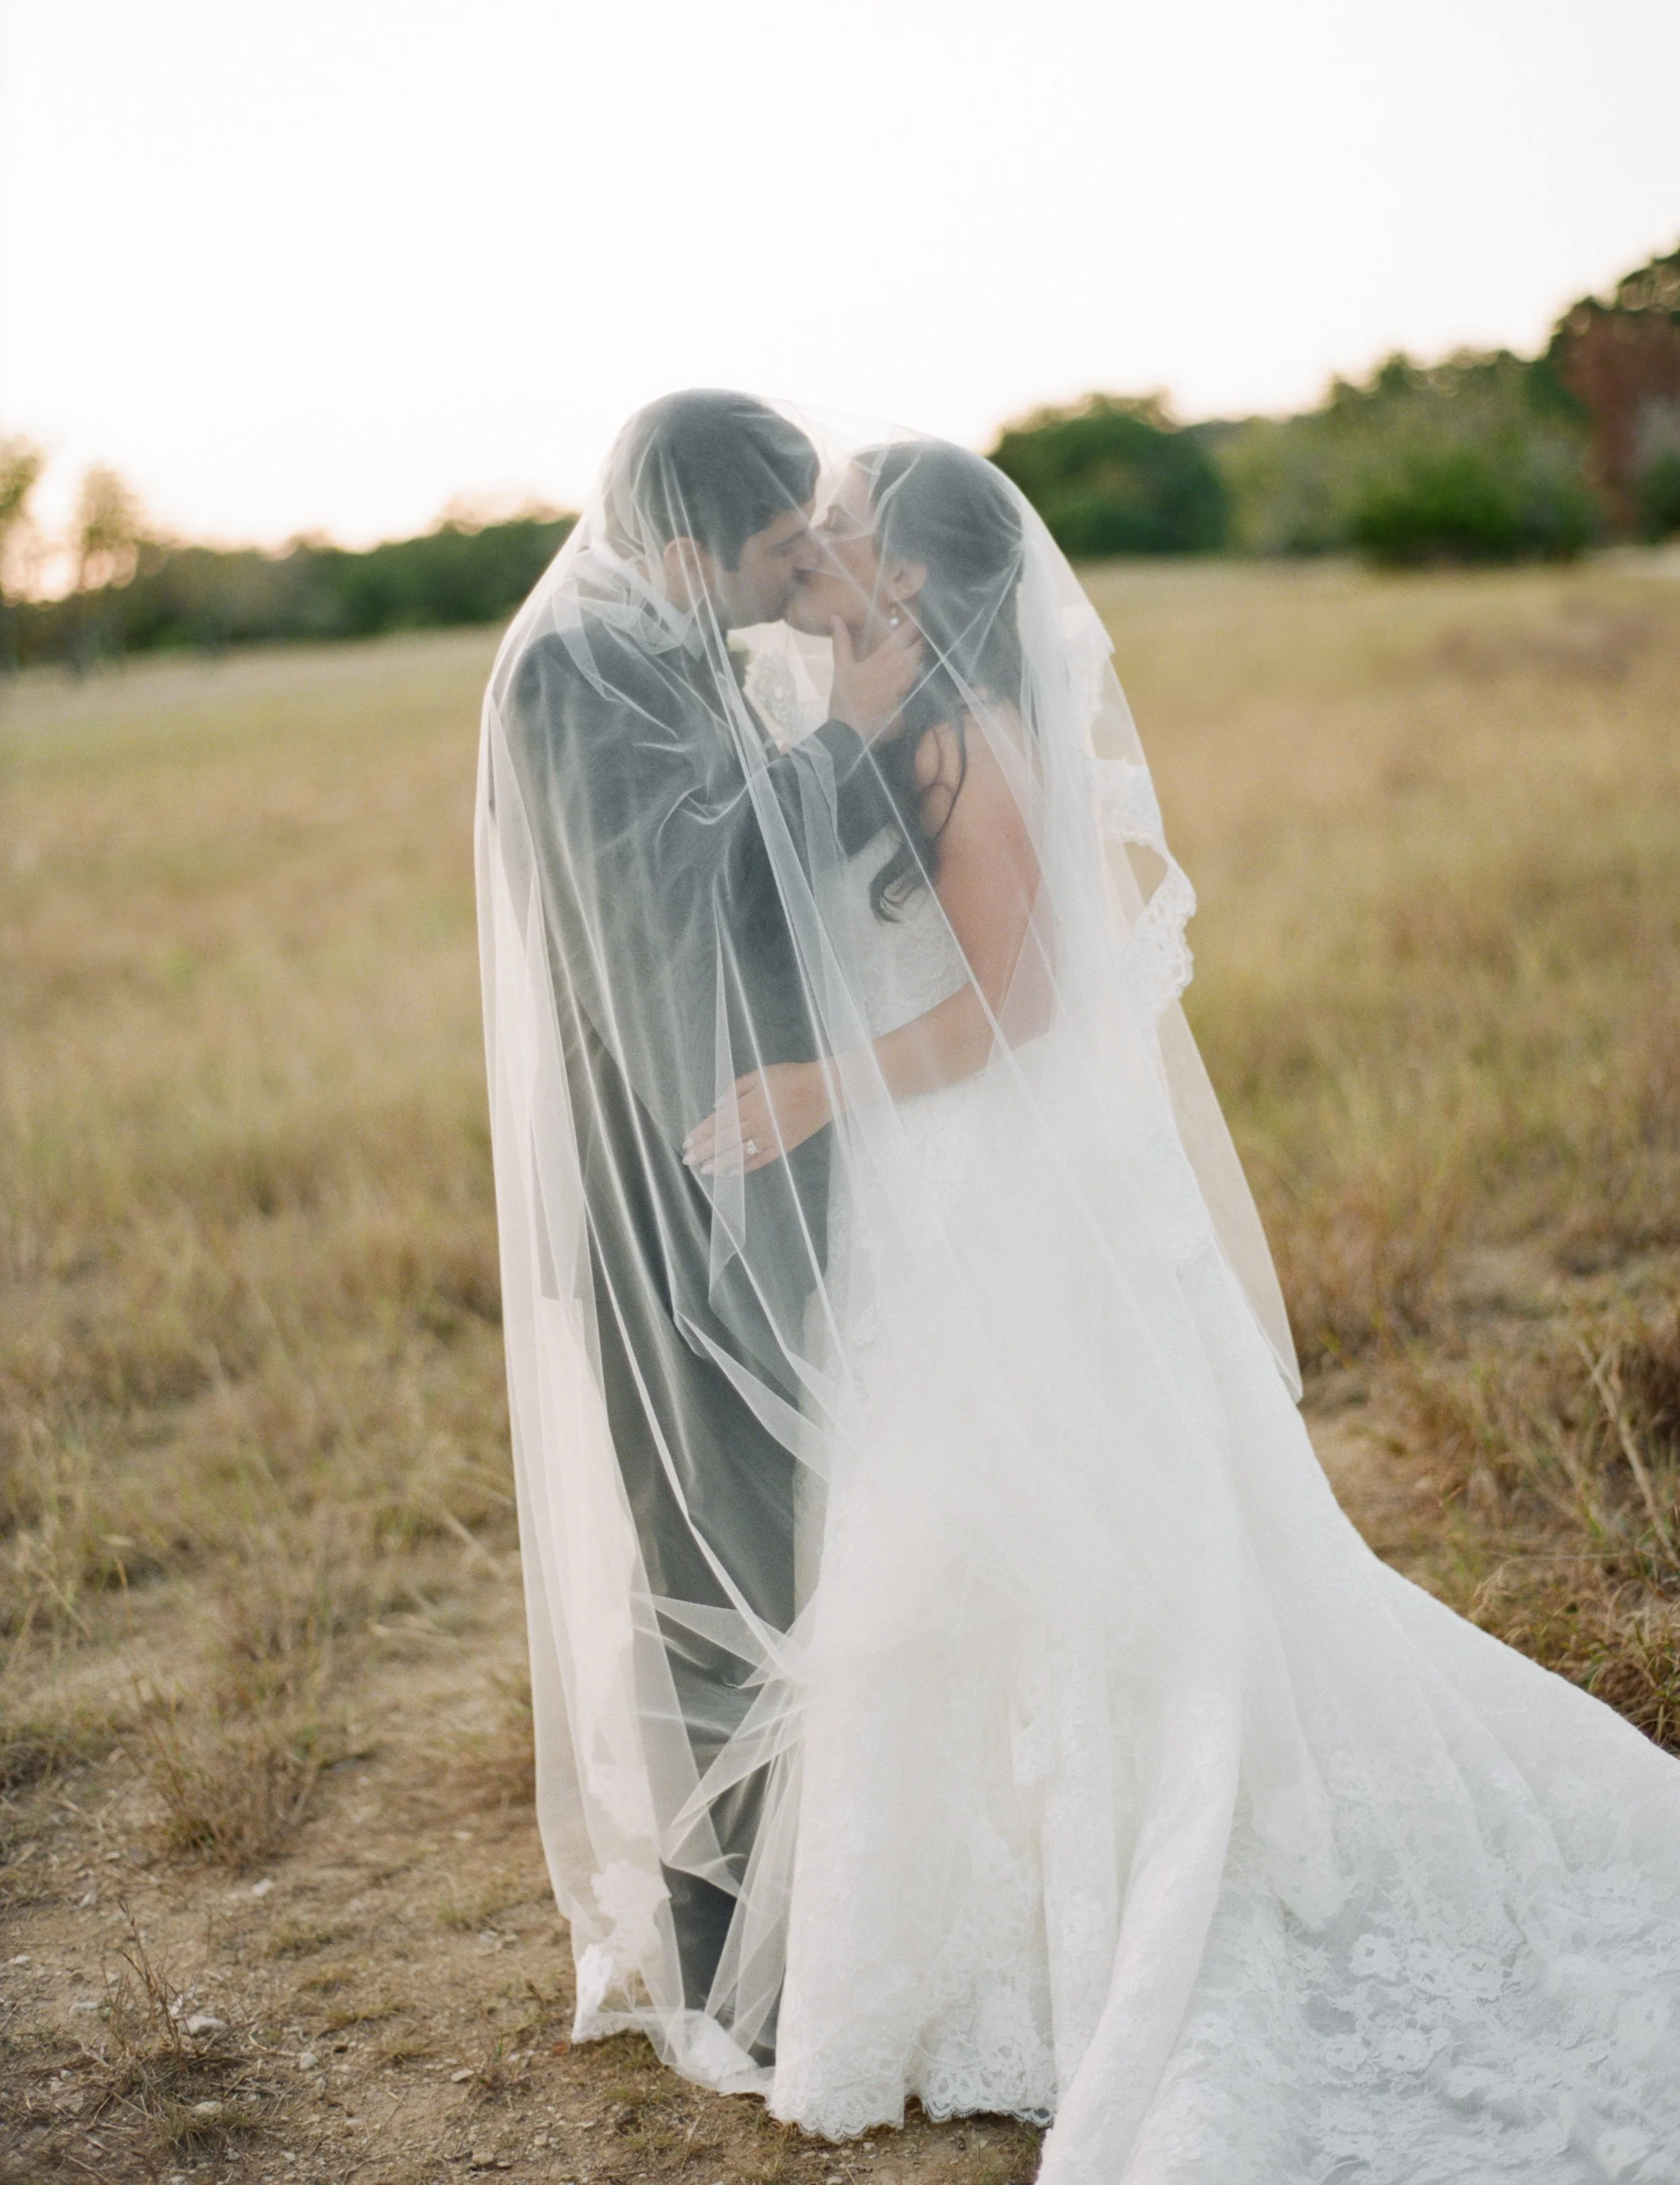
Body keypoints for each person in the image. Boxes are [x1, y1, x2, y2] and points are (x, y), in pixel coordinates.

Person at [480, 400, 1680, 2178]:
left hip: (959, 1191)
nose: (813, 555)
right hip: (878, 1199)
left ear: (912, 574)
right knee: (901, 1555)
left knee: (987, 1545)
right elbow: (720, 891)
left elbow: (1021, 997)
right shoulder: (725, 698)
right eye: (792, 535)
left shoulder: (946, 729)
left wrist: (819, 1082)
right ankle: (846, 1928)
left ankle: (997, 1910)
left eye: (843, 531)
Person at [478, 391, 916, 2037]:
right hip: (666, 1191)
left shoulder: (682, 649)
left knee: (800, 1545)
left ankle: (835, 1897)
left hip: (750, 1155)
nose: (796, 572)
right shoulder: (566, 677)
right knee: (715, 1570)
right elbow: (695, 918)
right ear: (679, 551)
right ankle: (739, 1957)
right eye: (775, 552)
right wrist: (856, 734)